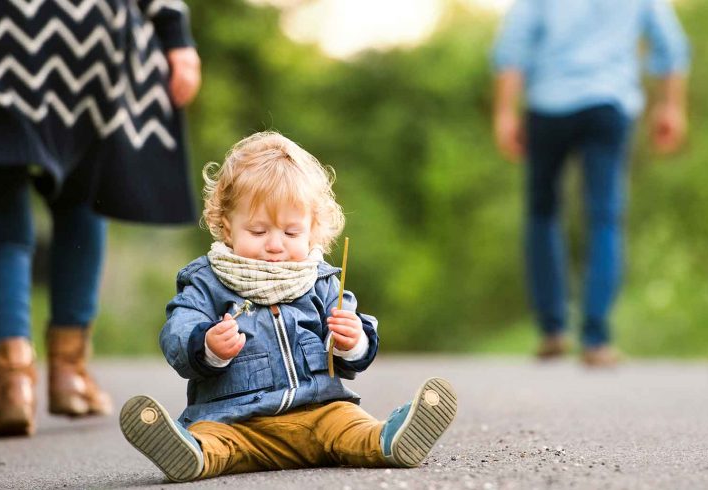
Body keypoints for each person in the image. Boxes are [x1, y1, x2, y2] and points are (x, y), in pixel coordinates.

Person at [0, 0, 202, 436]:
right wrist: (175, 36)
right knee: (81, 203)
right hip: (81, 33)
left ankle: (13, 385)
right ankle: (69, 375)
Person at [119, 132, 458, 482]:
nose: (275, 245)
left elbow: (357, 346)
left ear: (313, 231)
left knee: (350, 426)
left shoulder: (322, 281)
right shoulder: (206, 282)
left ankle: (390, 440)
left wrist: (352, 341)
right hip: (237, 421)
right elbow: (177, 331)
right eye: (258, 231)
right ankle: (192, 453)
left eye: (291, 233)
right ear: (226, 227)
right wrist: (207, 346)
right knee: (215, 441)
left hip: (319, 412)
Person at [491, 0, 690, 366]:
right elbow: (671, 45)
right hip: (608, 101)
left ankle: (552, 330)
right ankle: (595, 338)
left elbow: (512, 45)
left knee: (542, 212)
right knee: (604, 217)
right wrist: (672, 106)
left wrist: (505, 111)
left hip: (549, 105)